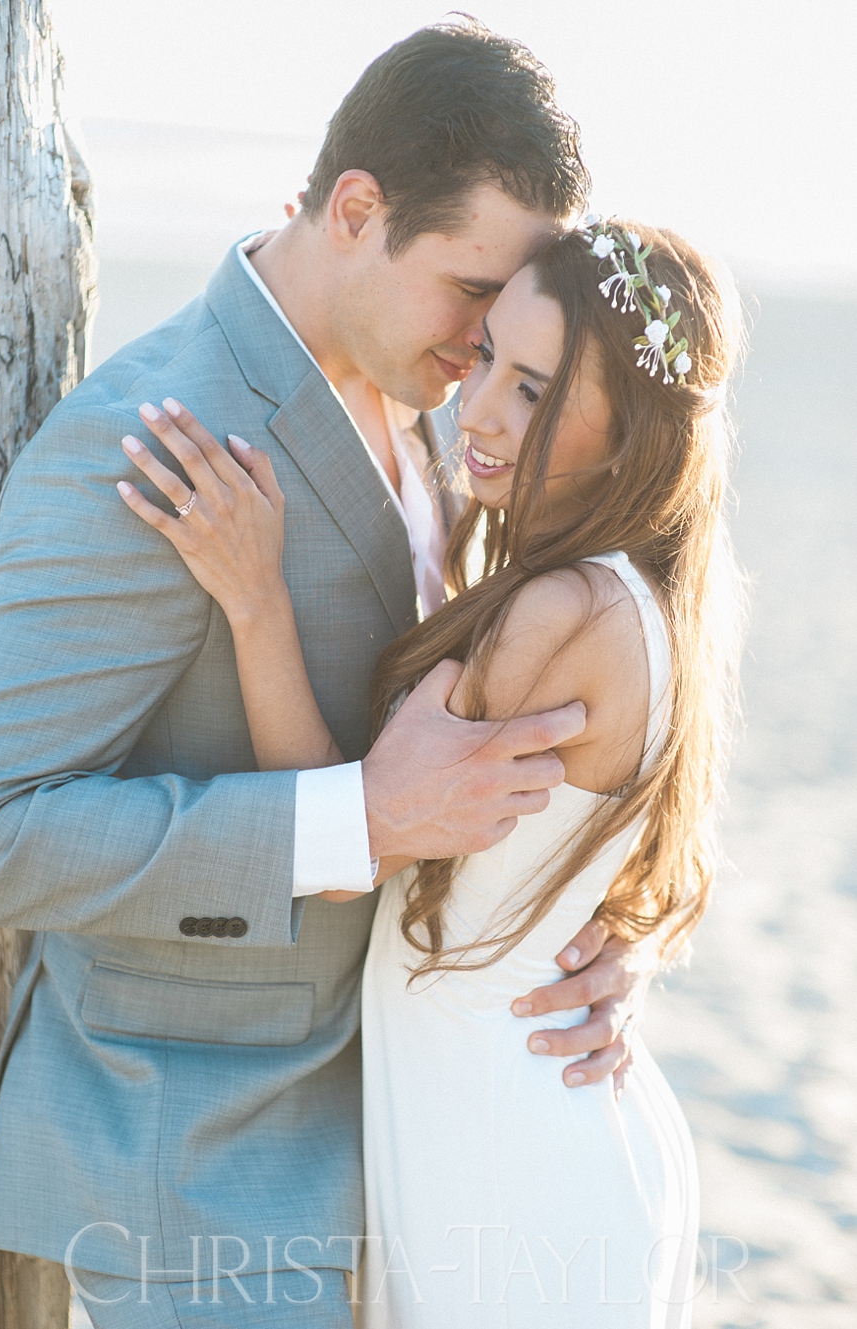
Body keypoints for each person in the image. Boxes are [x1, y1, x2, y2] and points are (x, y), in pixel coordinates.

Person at [0, 21, 662, 1326]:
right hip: (201, 1167)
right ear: (358, 209)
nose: (485, 347)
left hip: (402, 1146)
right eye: (471, 292)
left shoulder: (425, 406)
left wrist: (569, 937)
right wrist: (357, 819)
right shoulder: (151, 445)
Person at [119, 216, 743, 1326]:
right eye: (488, 355)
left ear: (631, 431)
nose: (480, 409)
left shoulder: (564, 610)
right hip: (506, 1101)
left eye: (534, 387)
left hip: (509, 1139)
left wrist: (255, 598)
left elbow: (362, 841)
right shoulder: (629, 593)